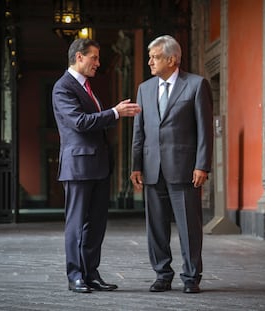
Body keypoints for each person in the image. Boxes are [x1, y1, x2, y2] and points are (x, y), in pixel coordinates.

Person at [52, 38, 141, 294]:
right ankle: (75, 275)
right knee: (76, 223)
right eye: (95, 58)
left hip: (99, 166)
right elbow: (79, 122)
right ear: (79, 57)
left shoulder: (87, 87)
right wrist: (114, 113)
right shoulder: (63, 87)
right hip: (78, 167)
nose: (98, 64)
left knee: (97, 224)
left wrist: (112, 114)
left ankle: (91, 273)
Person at [130, 35, 213, 294]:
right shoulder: (144, 89)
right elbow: (139, 132)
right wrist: (135, 166)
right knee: (155, 228)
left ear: (172, 59)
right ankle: (162, 275)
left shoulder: (196, 85)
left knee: (189, 227)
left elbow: (204, 130)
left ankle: (191, 277)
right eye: (150, 57)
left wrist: (202, 165)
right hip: (152, 169)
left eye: (154, 57)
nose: (150, 62)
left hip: (185, 169)